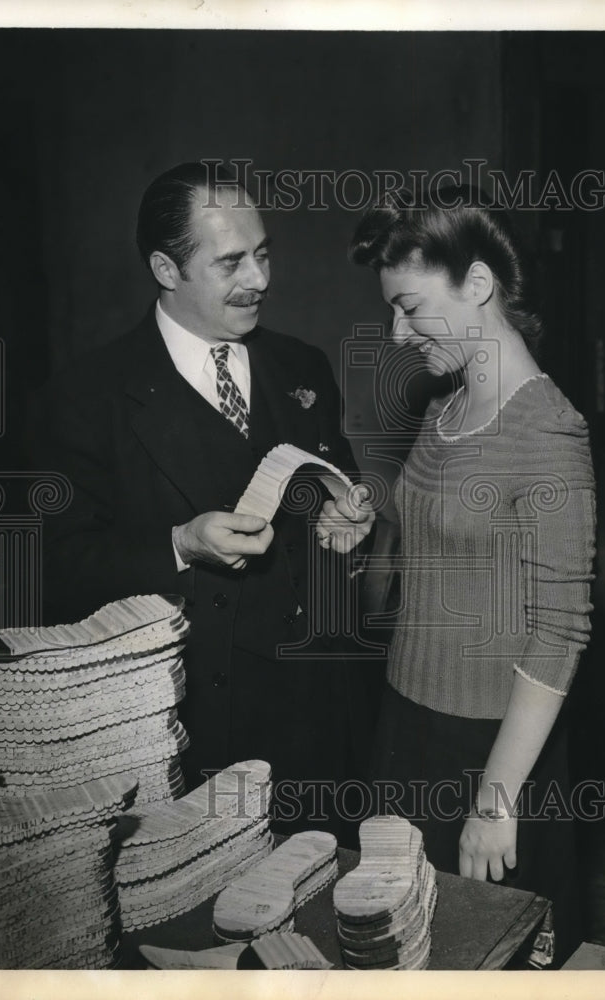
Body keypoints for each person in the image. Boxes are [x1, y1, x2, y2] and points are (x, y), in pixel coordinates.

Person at [29, 161, 376, 839]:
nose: (260, 280)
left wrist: (347, 524)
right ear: (166, 269)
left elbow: (335, 492)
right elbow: (55, 568)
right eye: (231, 262)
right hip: (193, 728)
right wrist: (179, 544)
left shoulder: (301, 366)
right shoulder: (85, 397)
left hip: (318, 723)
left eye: (264, 253)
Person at [349, 185, 596, 965]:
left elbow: (559, 631)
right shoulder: (443, 404)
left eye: (412, 309)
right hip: (404, 729)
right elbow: (439, 532)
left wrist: (494, 798)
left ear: (479, 286)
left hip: (490, 753)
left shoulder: (548, 432)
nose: (396, 333)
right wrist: (366, 516)